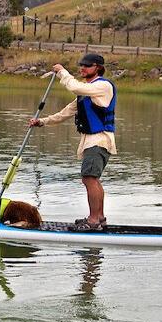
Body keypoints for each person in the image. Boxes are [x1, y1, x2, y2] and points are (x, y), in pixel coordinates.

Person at [29, 53, 117, 232]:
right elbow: (66, 112)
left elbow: (74, 87)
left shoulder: (103, 86)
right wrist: (42, 121)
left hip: (99, 139)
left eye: (87, 65)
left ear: (98, 67)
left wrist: (62, 72)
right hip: (92, 140)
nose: (83, 68)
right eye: (81, 65)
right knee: (92, 179)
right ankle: (99, 218)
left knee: (89, 178)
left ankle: (93, 221)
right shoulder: (87, 92)